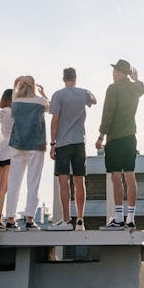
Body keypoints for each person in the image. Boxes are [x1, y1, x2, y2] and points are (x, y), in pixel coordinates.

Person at [95, 59, 144, 230]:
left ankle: (118, 217)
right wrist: (135, 78)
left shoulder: (113, 88)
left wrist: (101, 136)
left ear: (119, 72)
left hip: (115, 138)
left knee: (116, 178)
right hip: (131, 138)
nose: (112, 73)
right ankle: (130, 217)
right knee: (130, 176)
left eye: (115, 70)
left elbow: (108, 113)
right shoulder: (134, 88)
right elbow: (143, 87)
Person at [48, 67, 96, 231]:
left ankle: (67, 220)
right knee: (79, 180)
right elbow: (94, 101)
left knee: (63, 181)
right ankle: (80, 220)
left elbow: (55, 120)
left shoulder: (58, 95)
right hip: (79, 142)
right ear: (75, 77)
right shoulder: (83, 93)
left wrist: (52, 143)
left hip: (63, 143)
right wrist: (87, 92)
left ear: (63, 78)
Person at [5, 76, 48, 230]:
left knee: (14, 183)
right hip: (35, 145)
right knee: (33, 183)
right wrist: (43, 93)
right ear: (34, 86)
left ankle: (10, 219)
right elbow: (49, 107)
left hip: (17, 144)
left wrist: (17, 81)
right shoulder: (40, 101)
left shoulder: (15, 100)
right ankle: (29, 219)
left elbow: (14, 87)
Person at [0, 88, 14, 229]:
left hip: (1, 151)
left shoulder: (2, 112)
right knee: (4, 187)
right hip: (9, 151)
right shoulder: (11, 113)